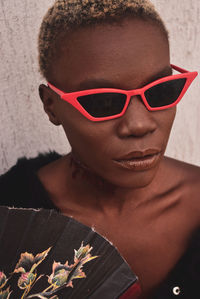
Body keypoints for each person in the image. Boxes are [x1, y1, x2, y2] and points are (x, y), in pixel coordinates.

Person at [0, 0, 199, 298]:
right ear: (51, 106)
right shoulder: (11, 210)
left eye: (161, 91)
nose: (139, 125)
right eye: (103, 102)